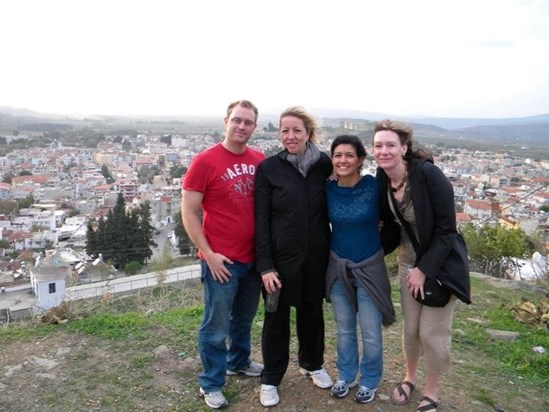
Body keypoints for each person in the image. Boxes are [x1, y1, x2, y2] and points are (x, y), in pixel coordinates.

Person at [372, 120, 471, 412]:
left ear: (404, 147)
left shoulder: (428, 176)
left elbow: (446, 230)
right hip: (407, 263)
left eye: (391, 145)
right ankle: (410, 377)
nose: (384, 151)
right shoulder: (382, 176)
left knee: (432, 332)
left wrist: (423, 270)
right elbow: (389, 224)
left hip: (439, 267)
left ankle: (432, 390)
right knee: (411, 330)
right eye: (378, 145)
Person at [181, 99, 265, 409]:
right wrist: (209, 254)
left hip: (253, 259)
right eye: (237, 120)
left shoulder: (259, 159)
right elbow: (189, 213)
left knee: (243, 318)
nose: (242, 126)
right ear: (225, 121)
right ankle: (212, 382)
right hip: (221, 261)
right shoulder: (205, 162)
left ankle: (238, 361)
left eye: (248, 122)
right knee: (215, 326)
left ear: (254, 127)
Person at [255, 106, 333, 407]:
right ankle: (272, 378)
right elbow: (261, 220)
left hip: (316, 257)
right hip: (279, 260)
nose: (290, 136)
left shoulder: (324, 165)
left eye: (296, 130)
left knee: (312, 314)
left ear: (308, 133)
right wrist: (265, 266)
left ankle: (312, 363)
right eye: (284, 131)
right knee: (276, 319)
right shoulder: (269, 168)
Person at [325, 135, 395, 404]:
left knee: (370, 331)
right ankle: (346, 375)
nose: (343, 160)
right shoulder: (327, 188)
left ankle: (369, 379)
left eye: (349, 155)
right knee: (343, 328)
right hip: (338, 266)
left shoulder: (373, 186)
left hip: (369, 266)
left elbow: (392, 218)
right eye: (338, 155)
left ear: (361, 159)